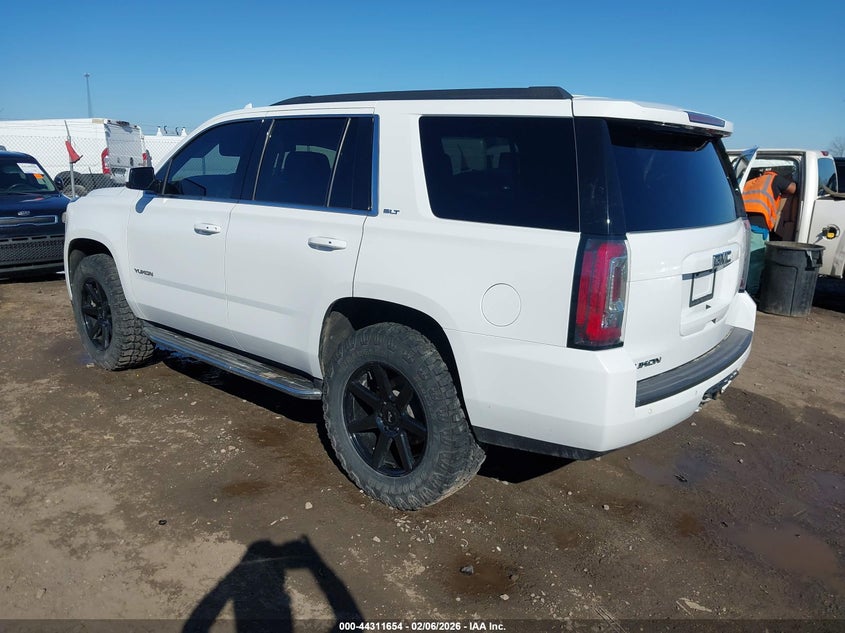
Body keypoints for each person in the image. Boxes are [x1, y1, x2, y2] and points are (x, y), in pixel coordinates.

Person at [742, 170, 797, 296]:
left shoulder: (751, 182)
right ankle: (750, 295)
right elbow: (793, 189)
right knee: (755, 263)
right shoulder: (775, 179)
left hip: (742, 225)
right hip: (758, 227)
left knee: (744, 261)